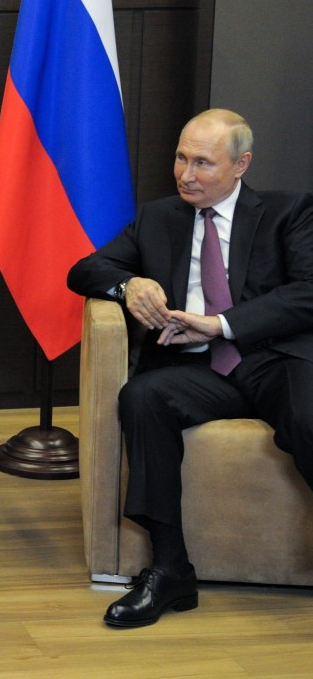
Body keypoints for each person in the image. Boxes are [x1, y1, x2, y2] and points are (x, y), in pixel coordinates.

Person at [67, 109, 313, 628]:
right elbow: (85, 269)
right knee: (142, 397)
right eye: (181, 157)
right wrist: (127, 285)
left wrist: (220, 324)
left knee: (307, 416)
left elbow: (307, 292)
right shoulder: (160, 218)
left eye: (203, 162)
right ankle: (171, 571)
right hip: (199, 372)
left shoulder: (288, 211)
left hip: (271, 358)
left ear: (241, 164)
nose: (186, 174)